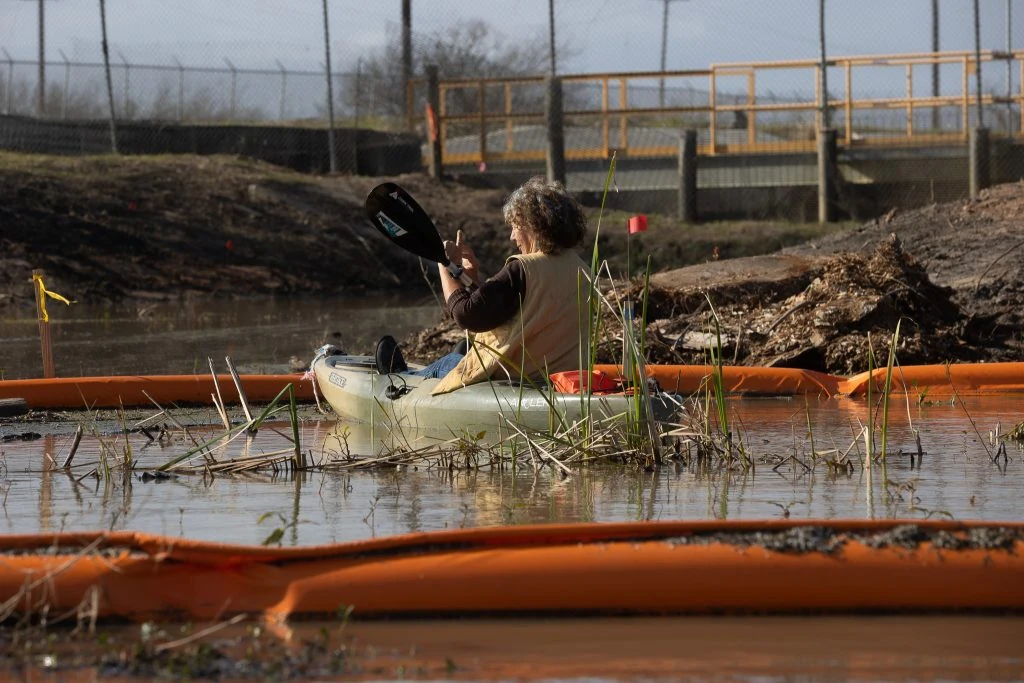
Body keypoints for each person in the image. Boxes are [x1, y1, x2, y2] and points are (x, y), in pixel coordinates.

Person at [374, 176, 591, 395]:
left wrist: (442, 261)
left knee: (451, 363)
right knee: (463, 353)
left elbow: (466, 316)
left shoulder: (523, 269)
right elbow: (512, 313)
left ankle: (399, 375)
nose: (512, 237)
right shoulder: (583, 270)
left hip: (518, 383)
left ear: (531, 225)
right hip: (562, 382)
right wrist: (472, 278)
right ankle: (459, 355)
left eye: (515, 227)